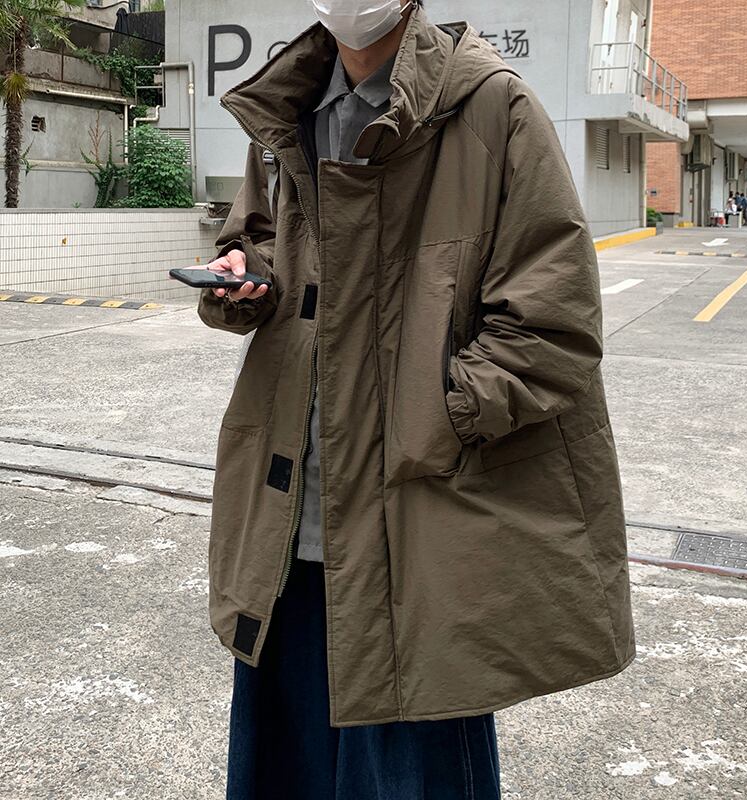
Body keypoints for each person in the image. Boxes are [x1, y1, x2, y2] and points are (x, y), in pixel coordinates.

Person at [196, 1, 636, 797]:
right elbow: (257, 239)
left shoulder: (493, 107)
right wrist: (242, 275)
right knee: (282, 773)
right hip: (288, 527)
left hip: (418, 532)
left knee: (414, 773)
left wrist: (440, 416)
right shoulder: (290, 110)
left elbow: (552, 322)